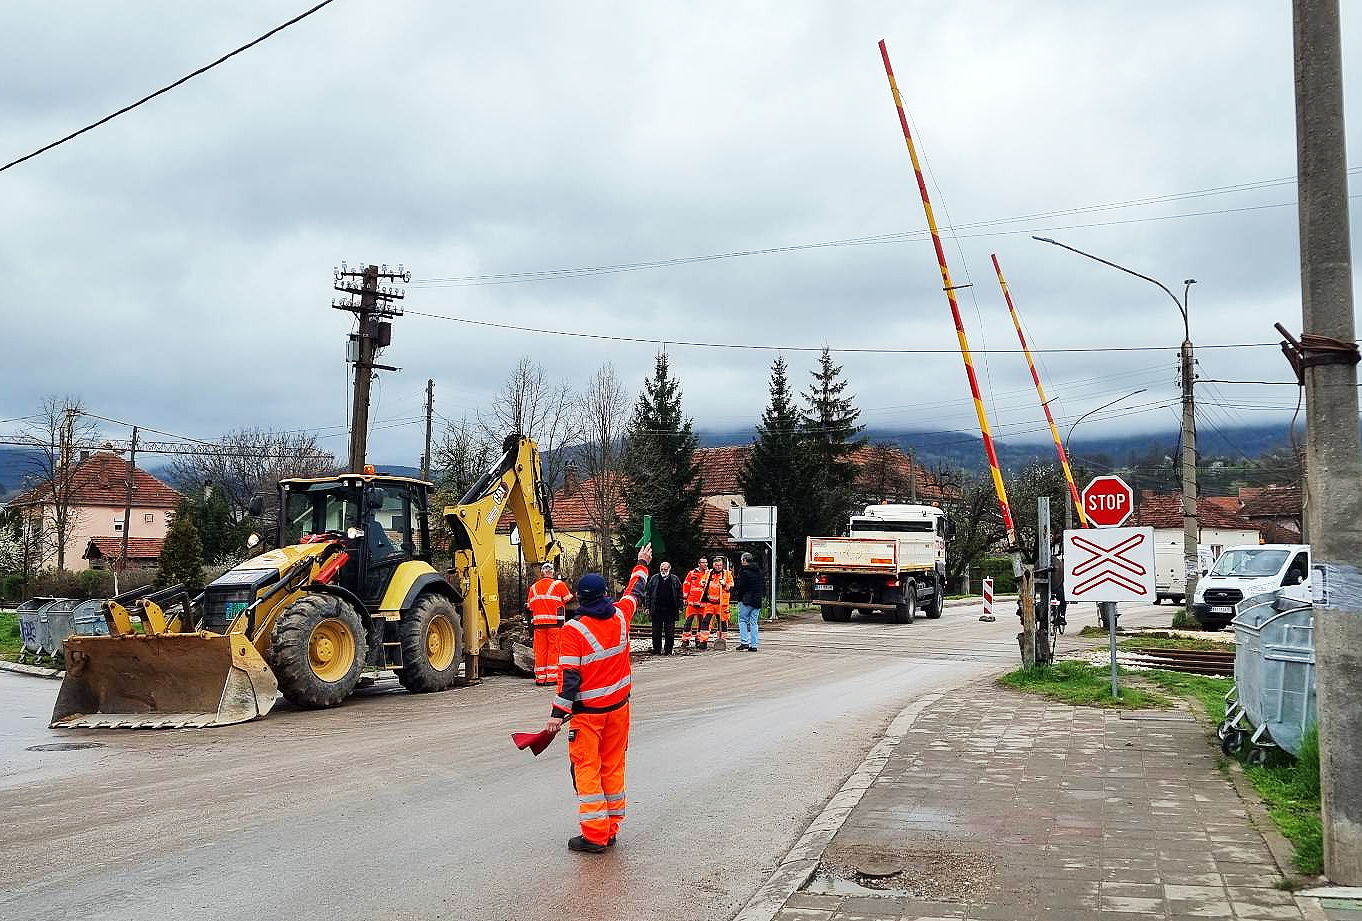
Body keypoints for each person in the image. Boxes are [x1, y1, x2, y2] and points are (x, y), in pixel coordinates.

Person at [544, 543, 652, 853]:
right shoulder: (620, 616)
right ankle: (611, 827)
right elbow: (636, 592)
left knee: (586, 769)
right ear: (605, 595)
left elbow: (569, 679)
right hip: (619, 710)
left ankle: (594, 834)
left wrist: (555, 715)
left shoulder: (574, 630)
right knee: (613, 766)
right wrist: (641, 562)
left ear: (579, 597)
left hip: (589, 715)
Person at [527, 562, 574, 686]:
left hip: (538, 624)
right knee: (554, 649)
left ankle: (540, 678)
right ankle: (552, 677)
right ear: (553, 572)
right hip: (555, 623)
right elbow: (568, 599)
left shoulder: (533, 588)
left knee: (540, 650)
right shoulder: (558, 584)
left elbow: (530, 606)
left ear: (542, 572)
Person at [646, 560, 683, 655]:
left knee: (670, 632)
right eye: (662, 569)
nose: (663, 570)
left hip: (670, 610)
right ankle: (657, 650)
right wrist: (647, 607)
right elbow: (648, 594)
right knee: (656, 632)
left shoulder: (675, 579)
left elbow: (680, 595)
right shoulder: (654, 578)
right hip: (656, 610)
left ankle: (668, 651)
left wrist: (680, 608)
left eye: (665, 569)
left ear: (669, 569)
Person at [734, 552, 765, 651]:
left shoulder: (744, 572)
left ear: (744, 560)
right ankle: (754, 645)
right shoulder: (759, 571)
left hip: (746, 600)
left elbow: (741, 587)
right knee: (754, 622)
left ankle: (744, 642)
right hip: (757, 600)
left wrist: (739, 597)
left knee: (742, 620)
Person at [697, 557, 726, 650]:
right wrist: (702, 583)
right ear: (713, 565)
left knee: (722, 623)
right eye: (717, 565)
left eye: (720, 565)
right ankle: (703, 641)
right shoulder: (708, 573)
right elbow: (702, 582)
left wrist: (725, 584)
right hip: (710, 603)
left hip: (721, 604)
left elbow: (731, 585)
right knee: (705, 622)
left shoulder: (726, 574)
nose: (718, 567)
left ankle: (722, 640)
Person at [680, 556, 708, 649]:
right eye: (703, 562)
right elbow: (686, 585)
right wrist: (685, 597)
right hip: (691, 602)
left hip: (703, 603)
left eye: (706, 562)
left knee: (701, 623)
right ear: (699, 564)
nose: (705, 564)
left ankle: (699, 639)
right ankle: (685, 640)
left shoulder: (708, 574)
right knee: (688, 622)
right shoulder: (692, 573)